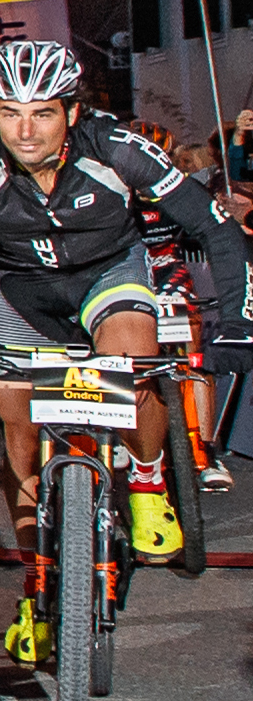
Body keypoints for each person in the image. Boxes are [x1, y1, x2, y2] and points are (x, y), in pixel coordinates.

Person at [0, 41, 253, 664]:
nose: (25, 130)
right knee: (18, 433)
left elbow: (216, 227)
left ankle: (145, 480)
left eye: (42, 112)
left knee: (131, 369)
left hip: (106, 278)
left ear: (71, 111)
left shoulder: (117, 148)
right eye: (9, 113)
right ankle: (37, 587)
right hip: (20, 292)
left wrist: (238, 325)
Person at [124, 121, 230, 492]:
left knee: (194, 352)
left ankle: (205, 450)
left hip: (169, 271)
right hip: (123, 275)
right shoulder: (109, 194)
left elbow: (215, 229)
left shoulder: (182, 191)